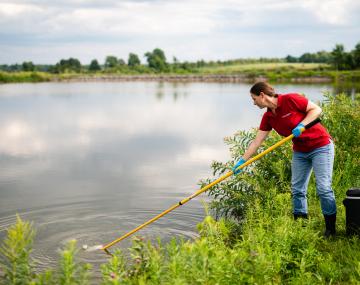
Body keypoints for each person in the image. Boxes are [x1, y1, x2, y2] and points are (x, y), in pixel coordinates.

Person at [233, 81, 336, 237]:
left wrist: (302, 125)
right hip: (300, 152)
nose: (253, 103)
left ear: (262, 95)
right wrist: (242, 161)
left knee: (323, 188)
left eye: (254, 99)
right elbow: (256, 142)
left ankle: (330, 230)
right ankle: (301, 226)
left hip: (320, 146)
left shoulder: (290, 99)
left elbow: (316, 109)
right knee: (297, 189)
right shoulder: (268, 117)